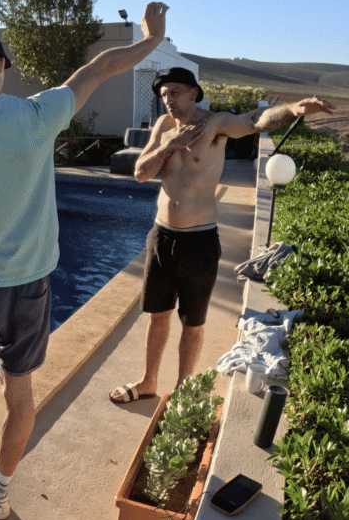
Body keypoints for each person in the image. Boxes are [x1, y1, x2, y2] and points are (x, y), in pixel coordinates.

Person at [0, 2, 171, 520]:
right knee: (21, 392)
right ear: (2, 67)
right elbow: (100, 68)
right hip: (31, 284)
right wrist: (151, 39)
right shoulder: (37, 116)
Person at [109, 69, 334, 405]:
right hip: (162, 236)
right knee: (158, 315)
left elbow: (255, 119)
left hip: (198, 242)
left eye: (175, 92)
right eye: (164, 94)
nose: (168, 100)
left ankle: (184, 391)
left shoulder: (214, 125)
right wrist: (170, 145)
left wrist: (292, 109)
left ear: (194, 94)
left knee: (192, 321)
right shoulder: (164, 128)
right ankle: (148, 381)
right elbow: (142, 173)